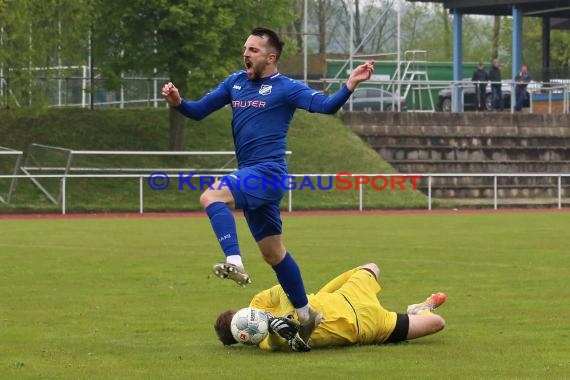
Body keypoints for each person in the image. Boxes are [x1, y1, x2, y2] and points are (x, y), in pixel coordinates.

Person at [162, 27, 375, 346]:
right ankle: (306, 314)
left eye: (254, 50)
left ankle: (233, 261)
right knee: (274, 254)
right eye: (245, 48)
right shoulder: (234, 82)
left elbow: (327, 106)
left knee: (210, 195)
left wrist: (349, 85)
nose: (246, 54)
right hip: (252, 174)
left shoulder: (286, 88)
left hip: (269, 173)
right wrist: (179, 102)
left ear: (270, 57)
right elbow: (198, 111)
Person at [214, 263, 447, 352]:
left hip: (346, 297)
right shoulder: (265, 341)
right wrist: (280, 328)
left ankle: (330, 293)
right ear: (245, 339)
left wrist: (287, 315)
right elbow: (276, 343)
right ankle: (419, 309)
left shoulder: (257, 304)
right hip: (366, 327)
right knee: (437, 323)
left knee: (372, 267)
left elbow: (280, 288)